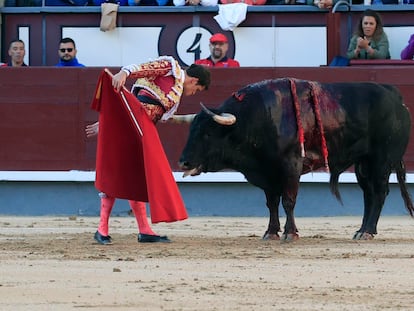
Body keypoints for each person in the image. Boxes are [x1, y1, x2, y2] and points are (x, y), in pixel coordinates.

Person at [90, 56, 211, 245]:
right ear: (195, 80)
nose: (194, 93)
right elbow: (145, 68)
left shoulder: (175, 93)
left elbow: (163, 117)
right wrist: (125, 72)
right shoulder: (171, 67)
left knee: (136, 176)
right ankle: (102, 229)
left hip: (142, 130)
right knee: (116, 174)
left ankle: (144, 230)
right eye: (197, 90)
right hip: (131, 126)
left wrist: (198, 118)